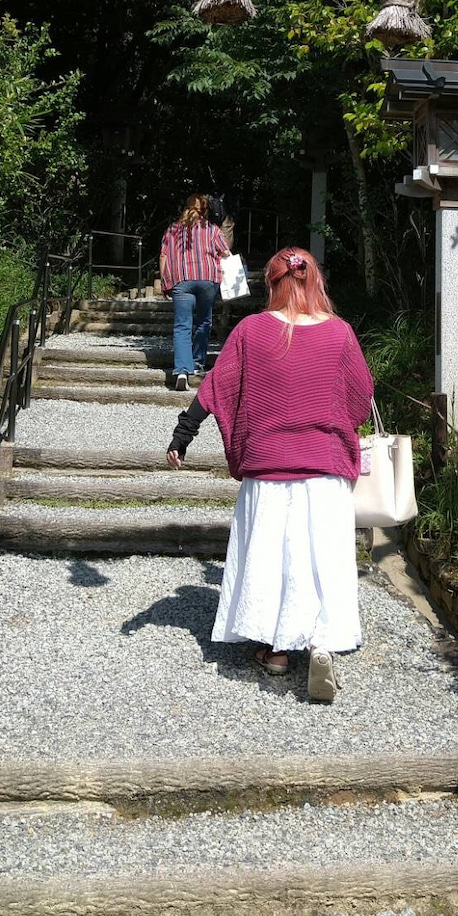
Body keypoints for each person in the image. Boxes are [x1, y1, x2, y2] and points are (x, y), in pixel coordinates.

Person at [166, 246, 373, 703]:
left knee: (271, 558)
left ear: (272, 284)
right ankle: (321, 643)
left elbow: (216, 387)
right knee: (321, 557)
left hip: (268, 467)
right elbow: (360, 399)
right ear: (314, 280)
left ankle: (276, 651)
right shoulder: (339, 334)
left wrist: (183, 434)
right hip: (324, 468)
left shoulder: (252, 331)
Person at [160, 194, 230, 390]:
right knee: (204, 321)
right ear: (205, 211)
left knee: (182, 326)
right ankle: (197, 362)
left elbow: (163, 256)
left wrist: (166, 282)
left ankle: (182, 370)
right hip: (208, 279)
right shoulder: (212, 229)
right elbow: (225, 253)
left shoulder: (172, 230)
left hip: (181, 280)